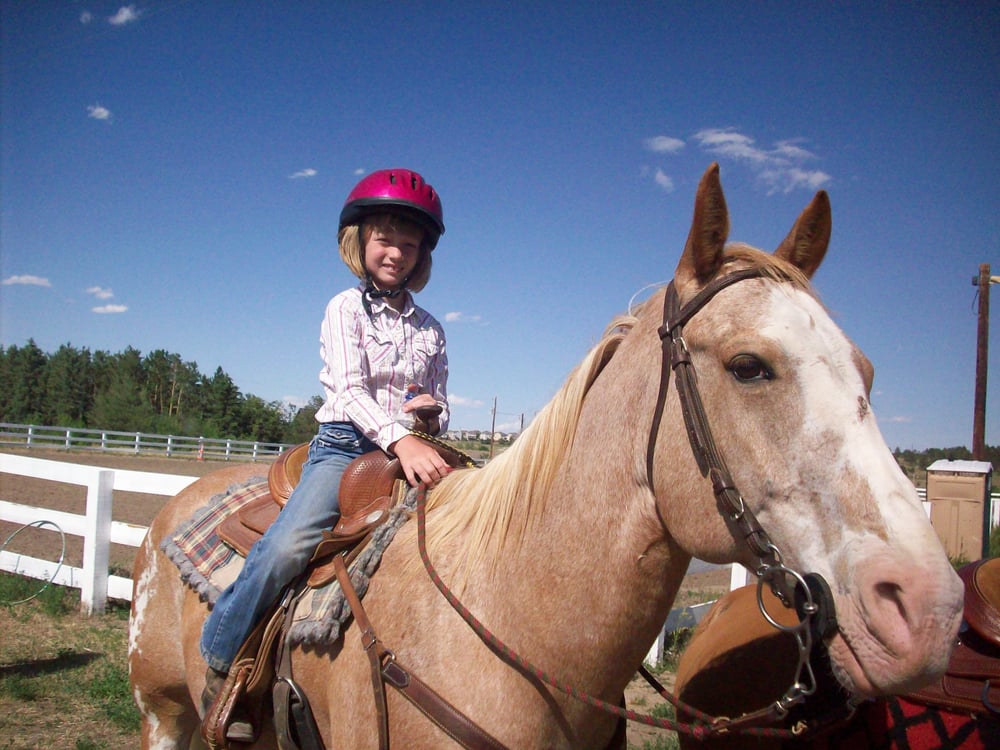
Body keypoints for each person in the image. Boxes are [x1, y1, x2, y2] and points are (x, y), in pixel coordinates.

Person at [199, 168, 453, 735]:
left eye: (410, 244)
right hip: (347, 447)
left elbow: (438, 400)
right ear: (359, 240)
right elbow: (348, 390)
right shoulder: (345, 308)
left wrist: (430, 415)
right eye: (386, 238)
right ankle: (222, 660)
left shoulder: (433, 329)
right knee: (289, 544)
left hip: (412, 444)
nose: (397, 252)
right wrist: (400, 435)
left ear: (422, 255)